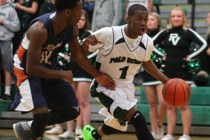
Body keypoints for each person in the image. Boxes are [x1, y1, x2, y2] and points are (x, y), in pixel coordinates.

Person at [10, 0, 115, 139]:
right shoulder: (39, 29)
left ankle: (30, 126)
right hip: (25, 70)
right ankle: (35, 127)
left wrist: (97, 75)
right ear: (68, 12)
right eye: (79, 12)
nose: (81, 15)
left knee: (72, 111)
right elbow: (32, 68)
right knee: (41, 115)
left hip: (49, 66)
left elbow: (77, 54)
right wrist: (62, 73)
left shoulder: (71, 27)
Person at [82, 4, 170, 140]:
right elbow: (79, 53)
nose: (143, 23)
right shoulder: (108, 34)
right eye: (138, 18)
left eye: (145, 19)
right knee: (137, 118)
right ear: (127, 18)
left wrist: (166, 81)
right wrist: (97, 74)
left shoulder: (147, 42)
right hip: (104, 87)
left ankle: (93, 136)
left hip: (126, 88)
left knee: (117, 124)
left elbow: (146, 62)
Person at [152, 6, 207, 140]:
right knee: (170, 105)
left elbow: (204, 44)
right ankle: (170, 134)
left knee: (184, 105)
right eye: (174, 16)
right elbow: (150, 43)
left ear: (184, 18)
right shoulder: (166, 32)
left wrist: (191, 56)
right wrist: (161, 54)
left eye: (179, 16)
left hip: (183, 72)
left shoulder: (188, 32)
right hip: (168, 72)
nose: (176, 18)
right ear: (170, 18)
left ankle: (186, 135)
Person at [46, 9, 96, 139]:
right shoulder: (68, 33)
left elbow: (97, 52)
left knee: (83, 101)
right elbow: (59, 51)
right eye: (79, 19)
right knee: (70, 102)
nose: (80, 22)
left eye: (83, 19)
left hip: (84, 72)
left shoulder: (90, 35)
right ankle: (70, 129)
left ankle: (83, 129)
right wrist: (65, 59)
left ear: (86, 21)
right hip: (70, 71)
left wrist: (87, 60)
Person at [142, 12, 167, 139]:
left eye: (152, 19)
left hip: (161, 72)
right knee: (152, 103)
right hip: (147, 73)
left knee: (163, 102)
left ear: (158, 22)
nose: (150, 22)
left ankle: (160, 124)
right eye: (148, 20)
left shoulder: (163, 36)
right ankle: (154, 130)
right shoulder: (143, 36)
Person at [0, 0, 20, 102]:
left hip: (6, 41)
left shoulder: (11, 10)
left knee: (7, 66)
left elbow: (17, 27)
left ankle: (7, 93)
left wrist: (4, 21)